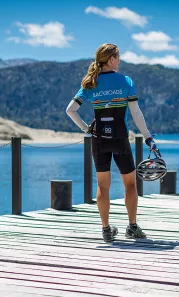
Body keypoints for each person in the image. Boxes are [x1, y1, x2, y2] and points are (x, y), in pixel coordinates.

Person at [66, 43, 158, 242]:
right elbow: (135, 112)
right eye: (118, 57)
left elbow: (70, 110)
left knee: (103, 186)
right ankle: (132, 227)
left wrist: (86, 129)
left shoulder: (90, 83)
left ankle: (106, 229)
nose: (120, 60)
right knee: (131, 184)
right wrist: (148, 136)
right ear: (111, 60)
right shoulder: (125, 81)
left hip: (99, 140)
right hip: (119, 139)